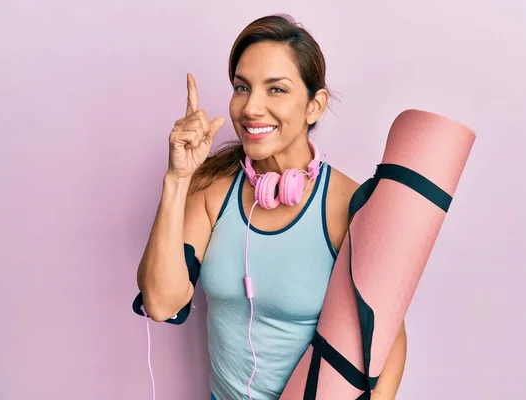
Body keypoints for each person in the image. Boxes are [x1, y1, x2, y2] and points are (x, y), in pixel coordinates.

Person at [136, 13, 407, 400]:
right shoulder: (212, 189)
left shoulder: (351, 205)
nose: (251, 108)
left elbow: (389, 341)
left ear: (315, 106)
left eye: (276, 89)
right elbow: (161, 303)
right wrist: (178, 179)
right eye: (242, 87)